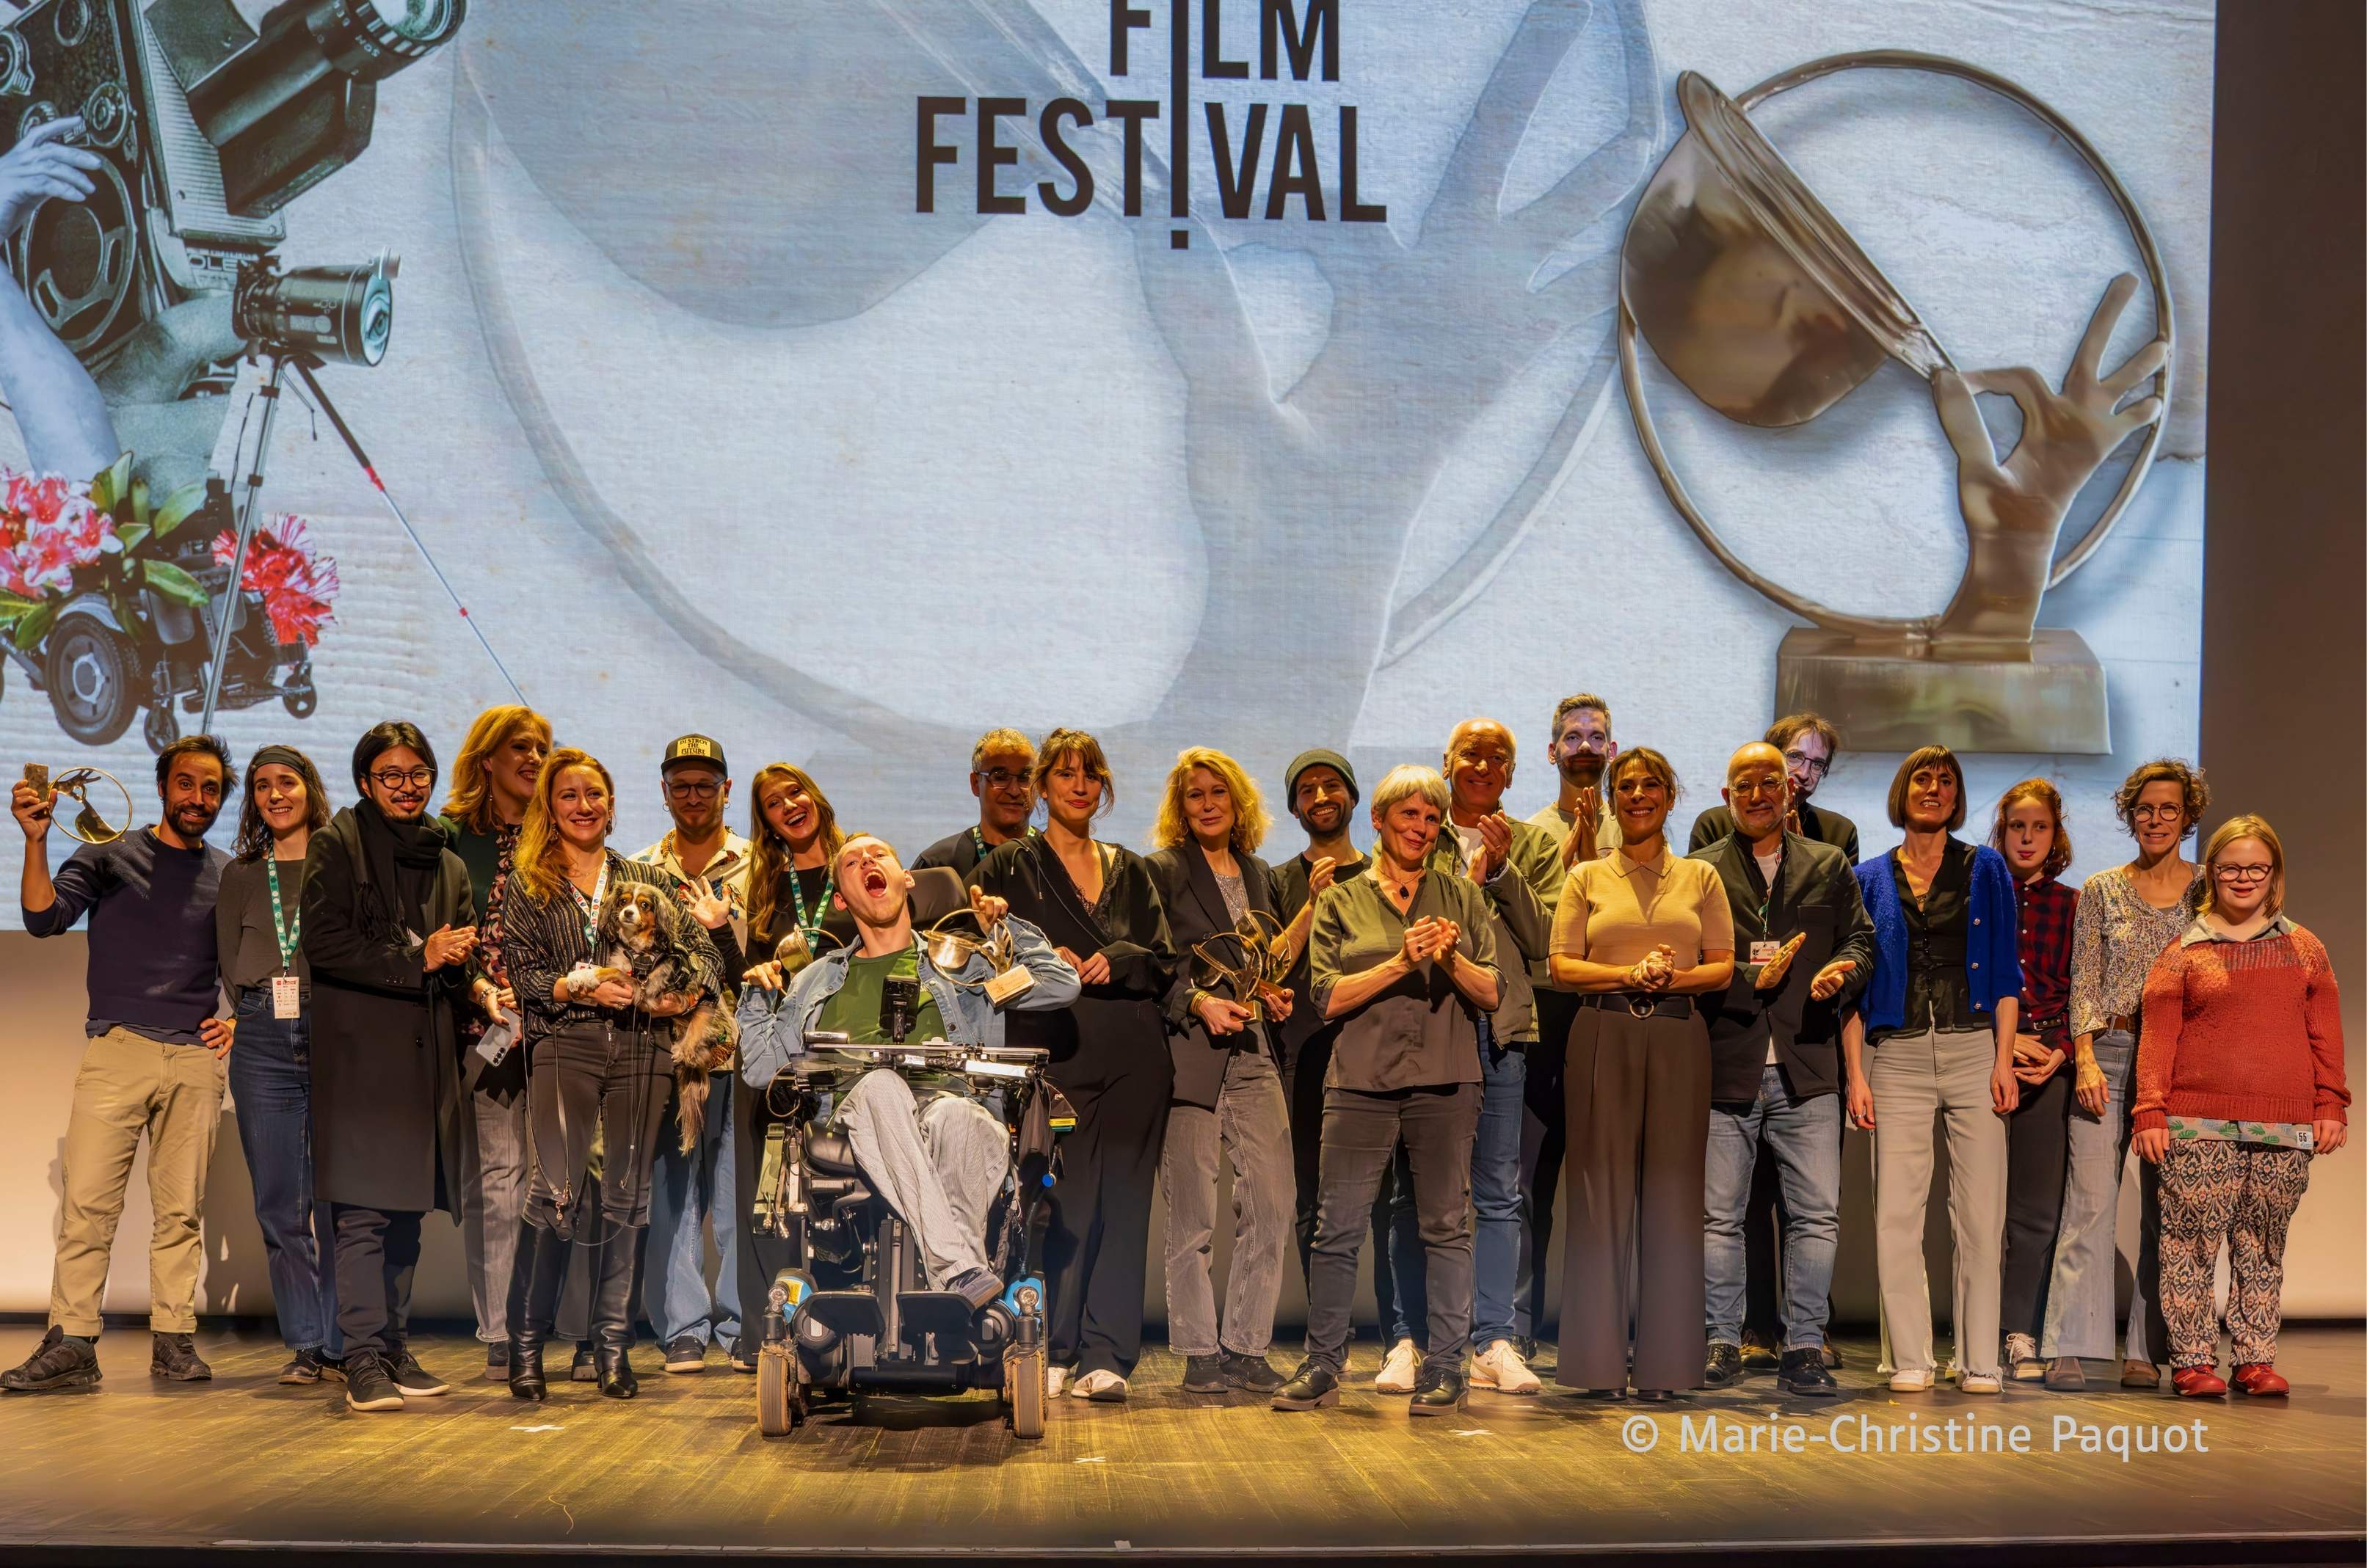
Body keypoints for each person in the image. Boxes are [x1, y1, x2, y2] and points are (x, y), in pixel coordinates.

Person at [738, 836, 1080, 1305]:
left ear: (907, 879)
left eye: (879, 855)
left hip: (951, 1104)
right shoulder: (815, 979)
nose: (867, 862)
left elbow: (1062, 985)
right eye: (852, 862)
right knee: (882, 1085)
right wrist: (757, 997)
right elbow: (761, 1069)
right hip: (861, 1115)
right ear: (841, 900)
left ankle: (955, 1290)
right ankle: (960, 1274)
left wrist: (1005, 928)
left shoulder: (966, 967)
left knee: (960, 1116)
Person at [1, 738, 236, 1395]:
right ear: (162, 787)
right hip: (118, 1047)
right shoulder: (108, 852)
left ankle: (174, 1340)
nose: (197, 798)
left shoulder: (229, 874)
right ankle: (73, 1342)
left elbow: (255, 966)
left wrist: (239, 1022)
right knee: (88, 1206)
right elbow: (43, 919)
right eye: (186, 783)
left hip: (195, 1058)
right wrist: (35, 841)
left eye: (211, 788)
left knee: (181, 1212)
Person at [1274, 765, 1499, 1418]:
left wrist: (1450, 958)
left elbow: (1492, 992)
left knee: (1445, 1227)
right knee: (1337, 1228)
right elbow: (1325, 996)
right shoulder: (1340, 899)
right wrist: (1401, 961)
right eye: (1409, 816)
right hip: (1359, 1082)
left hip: (1445, 1080)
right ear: (1377, 820)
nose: (1421, 829)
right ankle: (1323, 1362)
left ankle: (1446, 1365)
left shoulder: (1460, 895)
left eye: (1431, 819)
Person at [498, 748, 723, 1401]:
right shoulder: (529, 882)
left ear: (613, 803)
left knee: (628, 1195)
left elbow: (706, 954)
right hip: (563, 1043)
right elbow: (524, 976)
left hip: (639, 1048)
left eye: (594, 794)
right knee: (556, 1192)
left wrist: (681, 996)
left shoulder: (644, 876)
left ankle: (613, 1350)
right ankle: (525, 1347)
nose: (583, 806)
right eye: (569, 795)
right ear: (550, 807)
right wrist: (577, 987)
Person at [972, 729, 1176, 1402]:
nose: (1079, 785)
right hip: (1057, 1051)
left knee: (1125, 1202)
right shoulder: (1008, 865)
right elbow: (980, 965)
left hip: (1135, 1051)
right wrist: (1027, 953)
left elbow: (1162, 960)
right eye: (1064, 774)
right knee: (1063, 1203)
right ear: (1041, 787)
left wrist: (1117, 958)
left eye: (1091, 774)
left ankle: (1108, 1352)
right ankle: (1054, 1344)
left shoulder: (1132, 868)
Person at [305, 722, 498, 1413]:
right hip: (361, 1056)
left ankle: (391, 1345)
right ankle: (359, 1356)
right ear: (366, 781)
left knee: (407, 1212)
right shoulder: (337, 843)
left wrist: (480, 987)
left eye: (418, 773)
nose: (407, 786)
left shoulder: (447, 861)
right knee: (362, 1213)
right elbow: (323, 942)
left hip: (424, 1055)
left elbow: (457, 956)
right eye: (391, 774)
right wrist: (416, 959)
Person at [2132, 816, 2348, 1399]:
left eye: (2256, 867)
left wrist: (2330, 1102)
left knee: (2262, 1241)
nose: (2243, 877)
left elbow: (2324, 1033)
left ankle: (2253, 1357)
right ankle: (2192, 1359)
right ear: (2211, 872)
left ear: (2273, 873)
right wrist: (2149, 1110)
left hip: (2283, 1121)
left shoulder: (2304, 948)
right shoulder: (2183, 951)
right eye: (2230, 867)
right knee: (2189, 1239)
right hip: (2194, 1120)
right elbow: (2158, 1036)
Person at [1549, 748, 1733, 1400]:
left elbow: (1722, 965)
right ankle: (1595, 1366)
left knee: (1673, 1196)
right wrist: (1628, 973)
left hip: (1680, 1035)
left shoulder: (1700, 877)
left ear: (1669, 796)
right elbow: (1562, 966)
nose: (1636, 795)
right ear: (1610, 800)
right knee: (1598, 1196)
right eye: (1624, 786)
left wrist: (1670, 978)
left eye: (1649, 785)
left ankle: (1667, 1368)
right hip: (1602, 1031)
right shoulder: (1586, 876)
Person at [1842, 745, 2022, 1394]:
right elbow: (1850, 987)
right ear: (1903, 790)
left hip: (1974, 1049)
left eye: (1946, 781)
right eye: (1922, 778)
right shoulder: (1866, 877)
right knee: (1895, 1211)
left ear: (1956, 796)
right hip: (1896, 1057)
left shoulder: (1986, 867)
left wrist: (2003, 1059)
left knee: (1979, 1214)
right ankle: (1909, 1358)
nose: (1933, 788)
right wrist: (1856, 1075)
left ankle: (1979, 1359)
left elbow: (2005, 974)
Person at [1695, 742, 1870, 1397]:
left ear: (1788, 790)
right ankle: (1722, 1340)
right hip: (1727, 1061)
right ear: (1726, 796)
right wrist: (1749, 977)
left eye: (1769, 781)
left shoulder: (1828, 863)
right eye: (1744, 784)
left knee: (1815, 1216)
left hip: (1808, 1061)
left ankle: (1802, 1347)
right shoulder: (1701, 871)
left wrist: (1844, 969)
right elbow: (1690, 955)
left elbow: (1862, 939)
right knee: (1719, 1217)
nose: (1758, 794)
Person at [2045, 758, 2208, 1391]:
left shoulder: (2208, 891)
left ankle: (2145, 1348)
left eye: (2169, 809)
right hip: (2110, 1053)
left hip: (2180, 1062)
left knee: (2166, 1211)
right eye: (2144, 808)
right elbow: (2083, 981)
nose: (2155, 819)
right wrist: (2084, 1057)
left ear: (2187, 816)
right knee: (2088, 1203)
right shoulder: (2102, 888)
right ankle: (2070, 1344)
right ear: (2128, 814)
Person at [1269, 750, 1427, 1393]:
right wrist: (1311, 905)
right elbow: (1268, 966)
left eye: (1331, 785)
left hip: (1384, 1053)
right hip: (1306, 1056)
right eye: (1305, 789)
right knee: (1317, 1203)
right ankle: (1326, 1347)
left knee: (1394, 1201)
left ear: (1356, 799)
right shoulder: (1278, 879)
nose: (1319, 796)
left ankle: (1400, 1341)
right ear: (1293, 807)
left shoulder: (1387, 872)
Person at [1146, 748, 1294, 1396]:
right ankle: (1199, 1352)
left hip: (1253, 1049)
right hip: (1189, 1052)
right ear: (1181, 808)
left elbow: (1255, 963)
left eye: (1218, 793)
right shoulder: (1162, 869)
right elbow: (1150, 963)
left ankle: (1245, 1345)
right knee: (1192, 1215)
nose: (1208, 804)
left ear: (1238, 802)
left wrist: (1270, 994)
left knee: (1272, 1202)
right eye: (1195, 794)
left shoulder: (1259, 873)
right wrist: (1197, 1000)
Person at [1433, 718, 1560, 1397]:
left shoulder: (1533, 843)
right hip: (1428, 1029)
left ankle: (1493, 1339)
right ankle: (1423, 1339)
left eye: (1498, 758)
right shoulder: (1419, 830)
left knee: (1499, 1194)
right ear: (1446, 762)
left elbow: (1544, 941)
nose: (1483, 765)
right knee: (1422, 1193)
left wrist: (1504, 871)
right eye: (1471, 754)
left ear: (1511, 773)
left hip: (1503, 1029)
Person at [216, 745, 342, 1384]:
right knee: (279, 1204)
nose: (274, 794)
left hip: (336, 1028)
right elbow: (228, 961)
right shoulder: (241, 874)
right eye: (261, 785)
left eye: (286, 781)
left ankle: (348, 1341)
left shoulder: (342, 863)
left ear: (309, 788)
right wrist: (249, 1014)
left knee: (341, 1201)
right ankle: (309, 1343)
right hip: (262, 1035)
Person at [437, 703, 551, 1381]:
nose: (534, 759)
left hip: (558, 1027)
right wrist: (486, 991)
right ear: (487, 760)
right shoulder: (449, 836)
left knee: (557, 1181)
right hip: (485, 1029)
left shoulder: (558, 830)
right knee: (500, 1183)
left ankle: (558, 1324)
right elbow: (444, 930)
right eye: (520, 747)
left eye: (541, 748)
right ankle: (503, 1330)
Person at [633, 734, 754, 1376]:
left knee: (735, 1199)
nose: (693, 796)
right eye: (680, 785)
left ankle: (739, 1322)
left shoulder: (757, 864)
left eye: (705, 784)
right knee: (673, 1198)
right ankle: (682, 1326)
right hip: (665, 1054)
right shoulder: (639, 869)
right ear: (664, 792)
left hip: (739, 1052)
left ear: (726, 789)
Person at [1516, 693, 1618, 1361]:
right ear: (1552, 751)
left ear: (1612, 750)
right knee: (1526, 1185)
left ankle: (1598, 1331)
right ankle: (1515, 1329)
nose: (1584, 746)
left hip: (1613, 1016)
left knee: (1602, 1186)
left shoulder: (1637, 828)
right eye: (1572, 736)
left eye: (1596, 736)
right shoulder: (1528, 834)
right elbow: (1533, 933)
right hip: (1545, 1016)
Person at [1992, 779, 2078, 1382]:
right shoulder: (1979, 894)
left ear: (2055, 834)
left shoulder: (2074, 904)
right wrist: (1999, 1040)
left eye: (2038, 827)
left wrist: (2061, 1050)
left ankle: (2017, 1331)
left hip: (2048, 1062)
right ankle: (1974, 1328)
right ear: (2001, 831)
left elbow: (2087, 991)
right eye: (2016, 826)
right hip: (1985, 1056)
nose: (2026, 838)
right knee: (1977, 1209)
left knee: (2035, 1209)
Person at [1687, 712, 1861, 861]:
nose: (1804, 773)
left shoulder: (1840, 832)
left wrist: (1802, 856)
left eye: (1817, 764)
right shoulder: (1714, 824)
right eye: (1795, 757)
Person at [914, 729, 1037, 878]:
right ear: (975, 783)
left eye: (1025, 778)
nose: (1014, 790)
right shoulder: (937, 866)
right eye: (1000, 777)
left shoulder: (1058, 858)